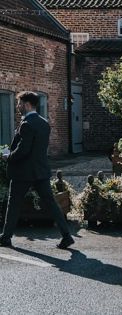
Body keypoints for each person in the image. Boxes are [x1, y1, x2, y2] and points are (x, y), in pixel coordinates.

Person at [0, 91, 74, 249]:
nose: (18, 106)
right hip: (40, 170)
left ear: (27, 105)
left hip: (23, 173)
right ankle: (67, 236)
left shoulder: (27, 124)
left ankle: (6, 237)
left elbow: (23, 150)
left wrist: (9, 157)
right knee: (52, 204)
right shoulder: (44, 122)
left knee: (13, 204)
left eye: (19, 103)